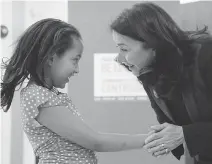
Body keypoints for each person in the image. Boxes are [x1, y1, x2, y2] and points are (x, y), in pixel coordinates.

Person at [1, 18, 151, 164]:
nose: (77, 69)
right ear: (51, 58)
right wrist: (150, 139)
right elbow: (96, 142)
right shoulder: (38, 96)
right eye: (75, 60)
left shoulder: (47, 95)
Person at [110, 2, 212, 164]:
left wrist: (185, 134)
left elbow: (183, 132)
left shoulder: (206, 54)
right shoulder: (149, 73)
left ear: (152, 44)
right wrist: (163, 137)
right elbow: (168, 123)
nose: (118, 59)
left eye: (124, 49)